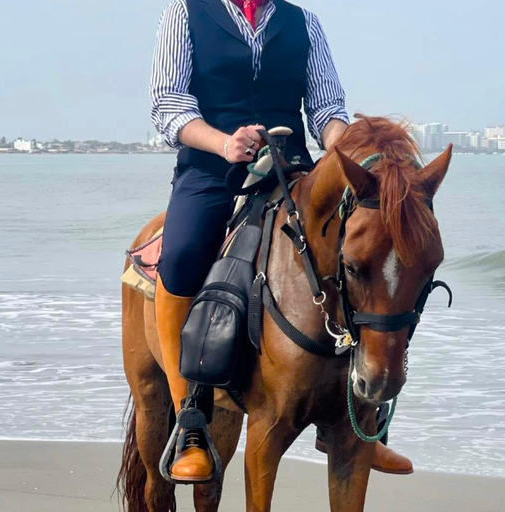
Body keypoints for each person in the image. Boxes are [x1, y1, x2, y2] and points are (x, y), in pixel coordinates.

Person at [150, 0, 413, 481]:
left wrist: (351, 150)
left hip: (291, 168)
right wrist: (223, 142)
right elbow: (168, 103)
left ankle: (364, 422)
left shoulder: (302, 21)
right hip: (211, 169)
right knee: (184, 256)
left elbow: (327, 108)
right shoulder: (185, 12)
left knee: (361, 258)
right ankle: (190, 418)